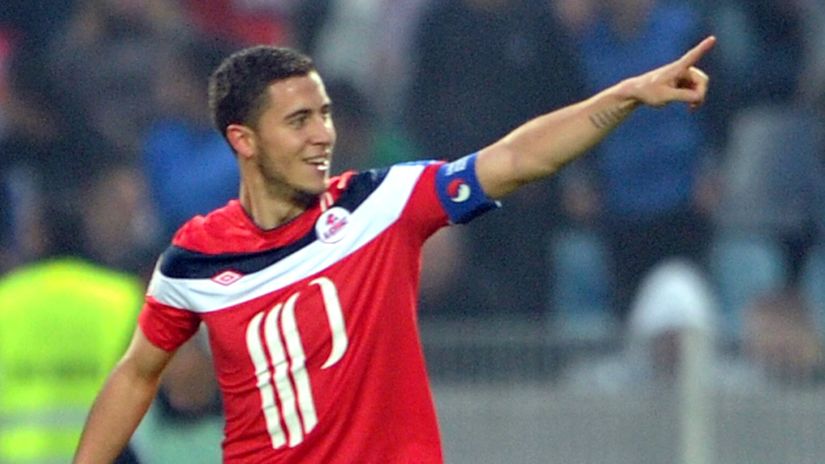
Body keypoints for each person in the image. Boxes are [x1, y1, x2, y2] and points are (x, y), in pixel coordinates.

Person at [73, 36, 715, 463]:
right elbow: (137, 373)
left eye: (324, 114)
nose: (323, 134)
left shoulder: (378, 205)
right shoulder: (195, 257)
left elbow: (515, 159)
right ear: (243, 138)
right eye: (299, 121)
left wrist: (623, 98)